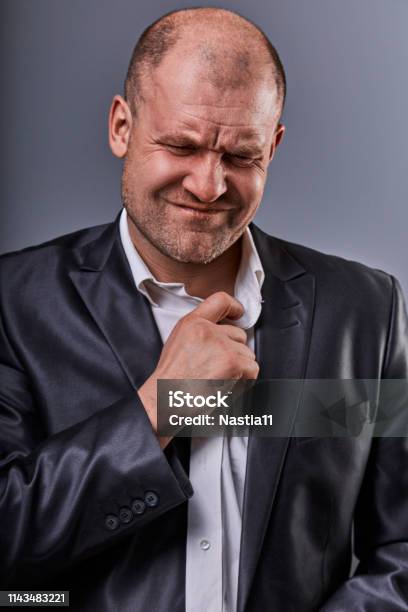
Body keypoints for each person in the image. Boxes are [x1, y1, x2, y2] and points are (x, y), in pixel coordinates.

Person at [0, 7, 407, 612]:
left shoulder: (364, 311)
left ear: (273, 144)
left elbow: (400, 549)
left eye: (241, 155)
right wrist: (164, 404)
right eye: (181, 145)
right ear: (121, 127)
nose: (209, 185)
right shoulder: (14, 302)